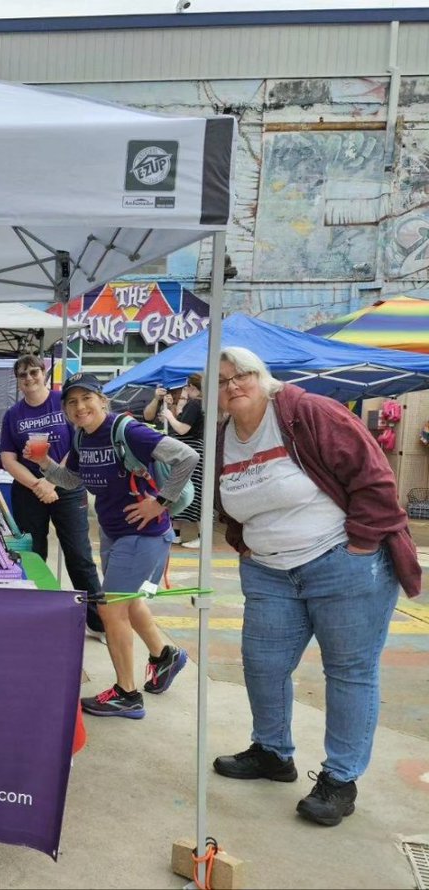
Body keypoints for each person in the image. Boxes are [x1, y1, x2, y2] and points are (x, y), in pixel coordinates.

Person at [210, 346, 418, 826]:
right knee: (262, 664)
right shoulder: (223, 434)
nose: (233, 385)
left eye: (242, 374)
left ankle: (339, 780)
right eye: (221, 381)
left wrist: (362, 545)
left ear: (264, 377)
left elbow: (375, 479)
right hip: (267, 569)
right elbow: (226, 496)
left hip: (340, 562)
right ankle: (272, 753)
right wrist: (243, 540)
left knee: (348, 671)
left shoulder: (307, 412)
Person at [38, 372, 197, 719]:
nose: (80, 407)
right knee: (131, 604)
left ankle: (127, 694)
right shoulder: (82, 438)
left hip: (143, 534)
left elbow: (187, 457)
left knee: (111, 610)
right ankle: (165, 655)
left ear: (102, 401)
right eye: (72, 402)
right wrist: (44, 463)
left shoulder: (126, 430)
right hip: (115, 533)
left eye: (87, 399)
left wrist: (161, 501)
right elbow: (72, 480)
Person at [0, 354, 105, 641]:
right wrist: (37, 484)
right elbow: (8, 459)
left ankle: (97, 621)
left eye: (33, 372)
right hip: (29, 490)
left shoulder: (65, 402)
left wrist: (52, 482)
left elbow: (80, 442)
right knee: (32, 555)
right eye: (22, 375)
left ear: (43, 373)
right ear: (17, 381)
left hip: (67, 488)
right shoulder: (13, 415)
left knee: (79, 556)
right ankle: (35, 616)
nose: (29, 378)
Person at [144, 374, 206, 548]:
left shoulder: (195, 403)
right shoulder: (199, 404)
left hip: (189, 452)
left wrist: (170, 417)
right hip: (191, 450)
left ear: (193, 387)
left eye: (186, 388)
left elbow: (183, 429)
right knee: (184, 491)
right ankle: (178, 533)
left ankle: (201, 536)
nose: (184, 392)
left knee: (189, 493)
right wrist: (173, 408)